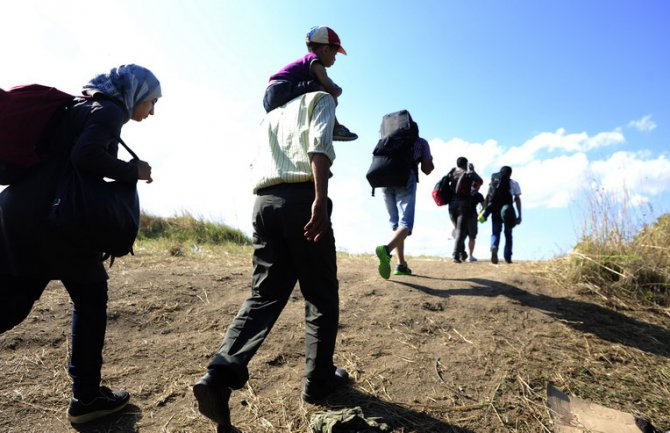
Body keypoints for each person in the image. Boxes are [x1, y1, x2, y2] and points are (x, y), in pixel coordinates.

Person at [0, 64, 160, 424]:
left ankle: (87, 394)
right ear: (135, 93)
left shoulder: (78, 107)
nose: (152, 111)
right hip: (55, 219)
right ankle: (86, 398)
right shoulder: (111, 110)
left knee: (10, 303)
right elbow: (85, 156)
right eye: (152, 101)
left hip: (19, 209)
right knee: (91, 298)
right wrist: (134, 171)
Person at [193, 91, 348, 432]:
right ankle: (319, 381)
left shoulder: (271, 115)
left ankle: (218, 376)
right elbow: (319, 146)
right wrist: (320, 200)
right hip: (303, 198)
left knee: (264, 295)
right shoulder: (319, 99)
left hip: (264, 204)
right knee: (321, 295)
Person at [263, 25, 358, 142]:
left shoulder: (308, 61)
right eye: (335, 54)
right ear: (326, 50)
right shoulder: (314, 61)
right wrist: (338, 90)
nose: (335, 58)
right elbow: (329, 86)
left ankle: (333, 126)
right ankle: (335, 128)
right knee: (320, 89)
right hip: (279, 89)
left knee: (318, 91)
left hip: (272, 96)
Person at [374, 126, 434, 278]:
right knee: (406, 223)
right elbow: (427, 169)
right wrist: (429, 160)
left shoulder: (386, 139)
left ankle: (401, 265)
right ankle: (386, 250)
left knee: (396, 223)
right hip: (406, 177)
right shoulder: (420, 142)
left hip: (384, 177)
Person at [480, 165, 522, 264]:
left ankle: (494, 246)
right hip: (507, 210)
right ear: (510, 173)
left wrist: (483, 210)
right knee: (508, 234)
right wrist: (519, 215)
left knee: (495, 232)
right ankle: (507, 257)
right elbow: (517, 199)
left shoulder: (493, 182)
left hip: (495, 209)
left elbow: (488, 196)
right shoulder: (514, 183)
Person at [447, 157, 483, 263]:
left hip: (451, 205)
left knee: (458, 229)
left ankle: (462, 253)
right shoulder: (468, 174)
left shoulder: (452, 173)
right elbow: (480, 181)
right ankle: (455, 254)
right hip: (463, 205)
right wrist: (473, 170)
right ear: (466, 164)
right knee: (460, 231)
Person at [465, 183, 485, 262]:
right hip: (472, 215)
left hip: (462, 215)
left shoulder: (465, 192)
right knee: (472, 237)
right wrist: (480, 214)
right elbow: (484, 206)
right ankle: (470, 256)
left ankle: (460, 254)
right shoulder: (478, 195)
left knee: (462, 236)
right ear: (478, 186)